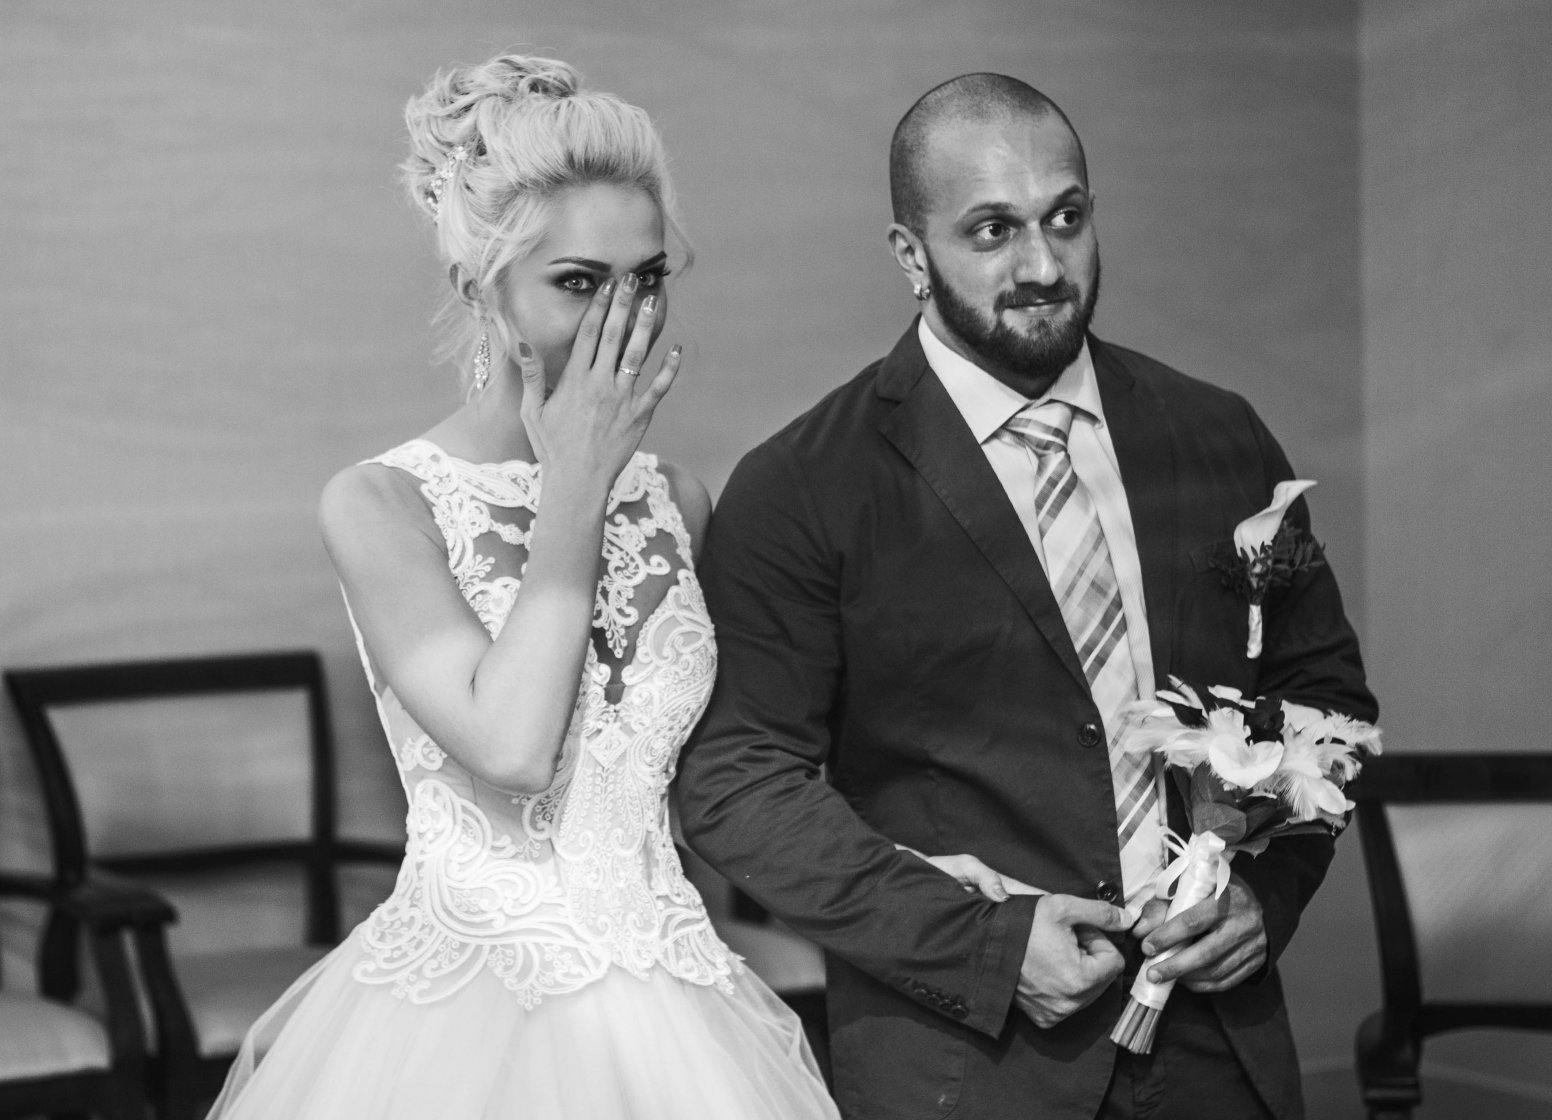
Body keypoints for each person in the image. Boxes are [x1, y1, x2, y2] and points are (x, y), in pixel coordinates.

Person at [676, 73, 1376, 1120]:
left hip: (1221, 1056)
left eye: (1067, 218)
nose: (1043, 266)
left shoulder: (1222, 436)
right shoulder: (804, 485)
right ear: (911, 255)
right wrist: (983, 948)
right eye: (993, 230)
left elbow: (1326, 697)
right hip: (966, 1067)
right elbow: (737, 783)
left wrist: (1265, 900)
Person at [206, 54, 838, 1120]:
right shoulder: (382, 504)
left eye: (647, 279)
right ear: (480, 289)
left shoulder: (678, 500)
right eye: (579, 282)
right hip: (461, 1021)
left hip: (682, 1005)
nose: (622, 317)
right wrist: (576, 486)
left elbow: (714, 782)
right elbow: (511, 747)